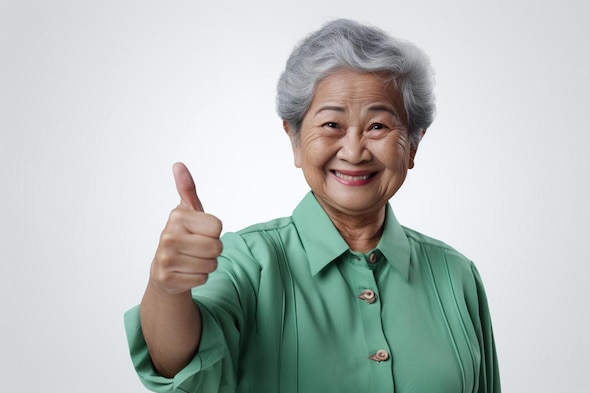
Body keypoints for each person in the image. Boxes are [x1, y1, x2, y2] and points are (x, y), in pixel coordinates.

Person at [124, 18, 500, 393]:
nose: (353, 152)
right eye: (332, 125)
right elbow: (175, 362)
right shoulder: (246, 262)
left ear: (414, 144)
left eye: (378, 126)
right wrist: (168, 290)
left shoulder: (456, 276)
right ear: (295, 140)